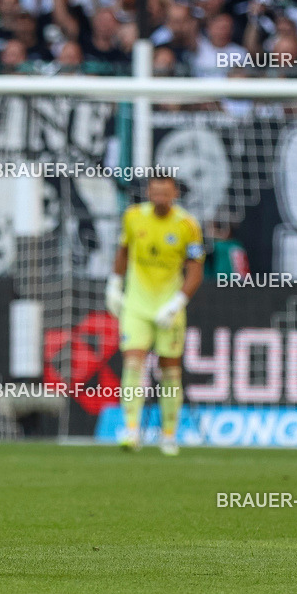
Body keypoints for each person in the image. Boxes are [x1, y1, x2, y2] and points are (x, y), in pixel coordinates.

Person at [105, 176, 204, 456]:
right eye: (155, 190)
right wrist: (114, 284)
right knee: (132, 364)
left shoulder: (187, 225)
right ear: (149, 192)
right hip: (137, 305)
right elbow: (123, 252)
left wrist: (176, 304)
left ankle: (169, 434)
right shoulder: (133, 217)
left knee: (170, 370)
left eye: (165, 191)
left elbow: (195, 269)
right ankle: (131, 430)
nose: (160, 195)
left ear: (174, 193)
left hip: (168, 306)